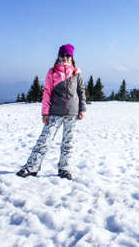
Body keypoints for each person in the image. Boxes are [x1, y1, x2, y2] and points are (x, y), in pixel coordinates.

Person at [16, 43, 86, 180]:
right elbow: (47, 92)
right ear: (58, 56)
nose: (65, 58)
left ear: (72, 57)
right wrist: (45, 112)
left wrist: (82, 109)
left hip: (72, 113)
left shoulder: (77, 73)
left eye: (68, 55)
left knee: (68, 142)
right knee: (44, 141)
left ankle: (64, 169)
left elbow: (81, 91)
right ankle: (31, 167)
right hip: (55, 112)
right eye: (62, 55)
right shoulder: (53, 72)